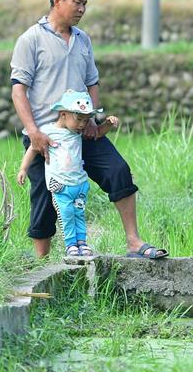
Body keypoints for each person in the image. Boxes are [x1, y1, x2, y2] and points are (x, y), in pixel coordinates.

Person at [10, 0, 167, 260]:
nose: (82, 9)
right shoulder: (31, 39)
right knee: (45, 197)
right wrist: (33, 131)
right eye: (77, 2)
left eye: (85, 4)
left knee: (118, 170)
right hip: (47, 135)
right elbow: (18, 90)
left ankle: (133, 241)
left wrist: (92, 119)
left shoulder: (83, 40)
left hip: (82, 131)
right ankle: (41, 264)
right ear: (58, 1)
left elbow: (92, 82)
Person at [17, 90, 119, 257]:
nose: (82, 125)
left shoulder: (79, 133)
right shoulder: (49, 131)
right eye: (78, 119)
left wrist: (107, 124)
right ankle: (70, 244)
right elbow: (33, 149)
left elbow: (98, 133)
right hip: (60, 185)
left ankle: (82, 243)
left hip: (79, 184)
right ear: (63, 114)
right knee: (66, 215)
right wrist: (23, 168)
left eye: (86, 121)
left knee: (79, 213)